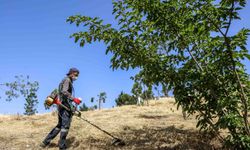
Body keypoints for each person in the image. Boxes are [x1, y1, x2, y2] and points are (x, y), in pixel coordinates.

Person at [40, 68, 82, 150]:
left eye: (77, 75)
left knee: (59, 126)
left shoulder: (66, 80)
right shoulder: (67, 80)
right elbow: (64, 91)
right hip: (63, 106)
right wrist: (74, 99)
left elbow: (64, 94)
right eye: (76, 75)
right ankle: (62, 147)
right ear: (71, 73)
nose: (76, 77)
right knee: (65, 127)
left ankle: (45, 142)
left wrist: (73, 107)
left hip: (62, 106)